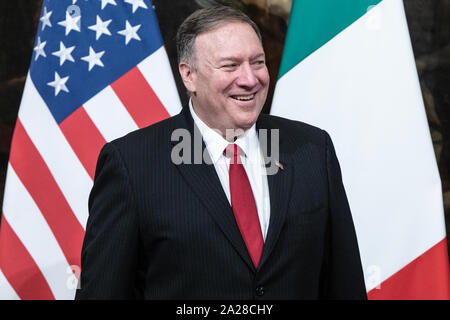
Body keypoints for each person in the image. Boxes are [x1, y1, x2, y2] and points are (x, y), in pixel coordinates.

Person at [75, 6, 367, 300]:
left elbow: (344, 282)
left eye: (258, 62)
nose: (250, 79)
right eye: (230, 66)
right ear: (189, 75)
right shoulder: (132, 164)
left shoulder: (312, 149)